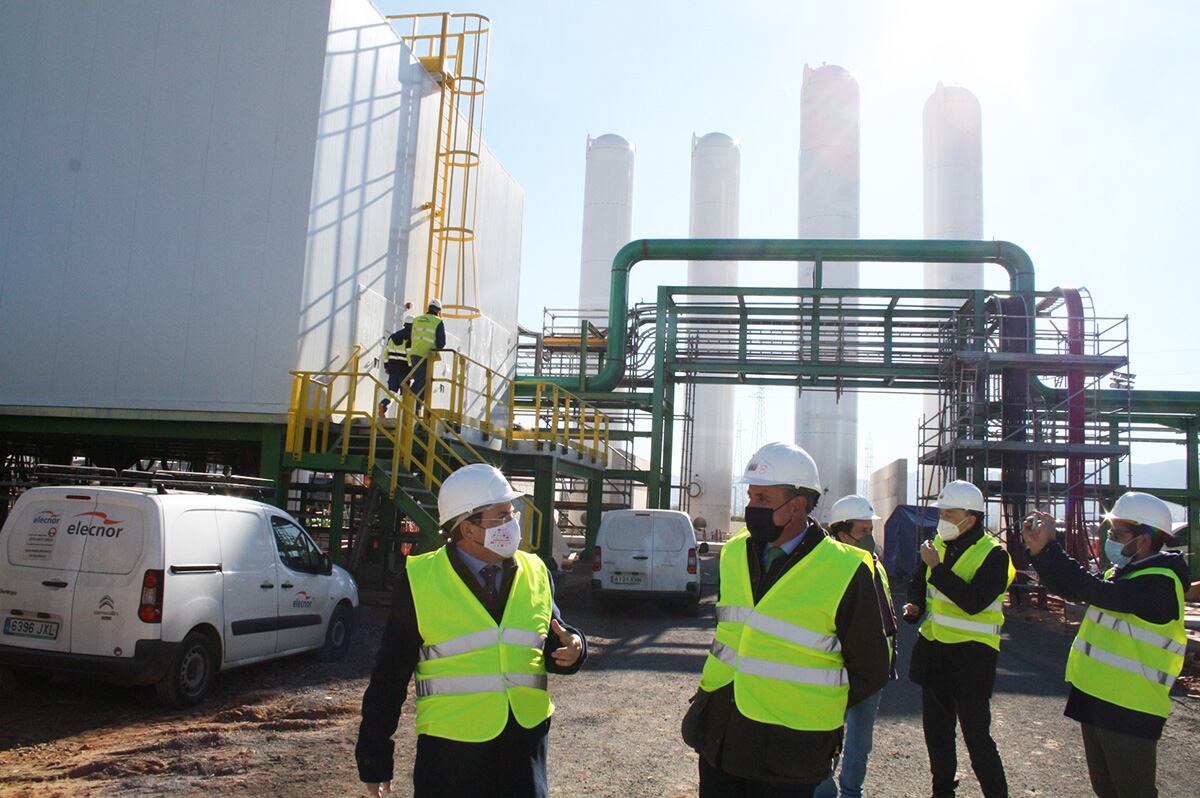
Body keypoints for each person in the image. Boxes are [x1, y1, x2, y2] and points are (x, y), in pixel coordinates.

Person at [355, 463, 587, 797]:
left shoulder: (537, 572)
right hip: (452, 757)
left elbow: (551, 638)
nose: (512, 524)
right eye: (501, 517)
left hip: (524, 751)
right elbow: (389, 676)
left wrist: (575, 647)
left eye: (512, 514)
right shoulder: (421, 581)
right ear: (467, 529)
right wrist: (375, 755)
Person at [682, 442, 890, 798]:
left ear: (797, 506)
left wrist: (810, 710)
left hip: (791, 755)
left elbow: (870, 669)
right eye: (750, 496)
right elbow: (733, 633)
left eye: (763, 498)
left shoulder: (847, 569)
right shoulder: (733, 553)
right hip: (721, 736)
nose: (751, 507)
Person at [1022, 492, 1189, 798]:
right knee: (1107, 790)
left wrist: (1051, 548)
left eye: (1118, 533)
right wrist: (1040, 551)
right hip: (1099, 700)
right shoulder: (1125, 573)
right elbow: (1073, 588)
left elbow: (1091, 589)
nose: (1110, 539)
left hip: (1131, 708)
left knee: (1133, 792)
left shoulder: (1161, 582)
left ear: (1146, 539)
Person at [902, 480, 1013, 798]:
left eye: (951, 514)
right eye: (942, 513)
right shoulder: (936, 543)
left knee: (977, 739)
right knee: (936, 735)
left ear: (971, 519)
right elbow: (917, 581)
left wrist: (936, 569)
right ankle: (942, 791)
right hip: (934, 656)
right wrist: (915, 606)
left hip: (971, 661)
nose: (943, 520)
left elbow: (974, 600)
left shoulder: (994, 555)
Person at [815, 495, 896, 798]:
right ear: (841, 533)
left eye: (870, 531)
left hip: (872, 673)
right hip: (835, 670)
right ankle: (824, 791)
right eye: (863, 532)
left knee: (861, 742)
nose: (869, 539)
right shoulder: (825, 569)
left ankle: (852, 793)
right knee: (825, 739)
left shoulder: (876, 564)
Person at [408, 298, 447, 406]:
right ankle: (413, 407)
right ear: (439, 310)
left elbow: (412, 337)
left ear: (428, 308)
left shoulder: (417, 319)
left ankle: (411, 406)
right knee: (423, 383)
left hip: (414, 353)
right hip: (426, 356)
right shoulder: (438, 321)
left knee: (418, 380)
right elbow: (441, 342)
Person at [378, 313, 414, 417]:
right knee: (405, 394)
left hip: (393, 369)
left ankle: (384, 404)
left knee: (392, 391)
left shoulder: (392, 337)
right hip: (404, 370)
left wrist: (386, 366)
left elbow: (385, 353)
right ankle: (403, 416)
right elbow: (409, 355)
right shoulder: (410, 339)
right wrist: (412, 369)